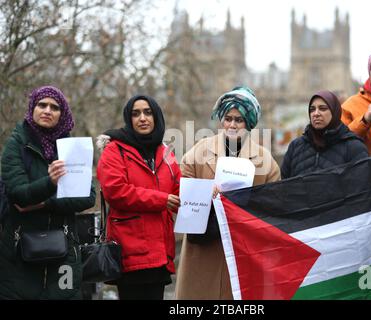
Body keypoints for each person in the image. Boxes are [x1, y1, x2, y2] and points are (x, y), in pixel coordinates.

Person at [175, 86, 281, 300]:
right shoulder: (199, 150)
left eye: (239, 120)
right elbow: (180, 184)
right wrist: (205, 193)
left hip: (243, 253)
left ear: (248, 123)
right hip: (204, 250)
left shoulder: (265, 160)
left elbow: (274, 203)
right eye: (228, 118)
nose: (232, 125)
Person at [0, 86, 96, 300]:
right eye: (41, 105)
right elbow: (18, 195)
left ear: (62, 115)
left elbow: (88, 196)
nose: (47, 110)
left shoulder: (72, 148)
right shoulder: (16, 145)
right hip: (18, 251)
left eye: (54, 107)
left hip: (64, 253)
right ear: (32, 109)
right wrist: (51, 183)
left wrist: (46, 203)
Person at [96, 94, 181, 300]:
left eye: (148, 112)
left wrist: (209, 195)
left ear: (156, 117)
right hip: (130, 253)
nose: (142, 118)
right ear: (129, 119)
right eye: (136, 114)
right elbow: (115, 192)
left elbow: (181, 191)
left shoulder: (166, 153)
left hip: (161, 253)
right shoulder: (115, 150)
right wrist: (161, 200)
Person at [281, 90, 368, 179]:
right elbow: (283, 185)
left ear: (335, 112)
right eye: (312, 109)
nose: (316, 114)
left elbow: (361, 188)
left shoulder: (354, 147)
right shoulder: (296, 146)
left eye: (322, 108)